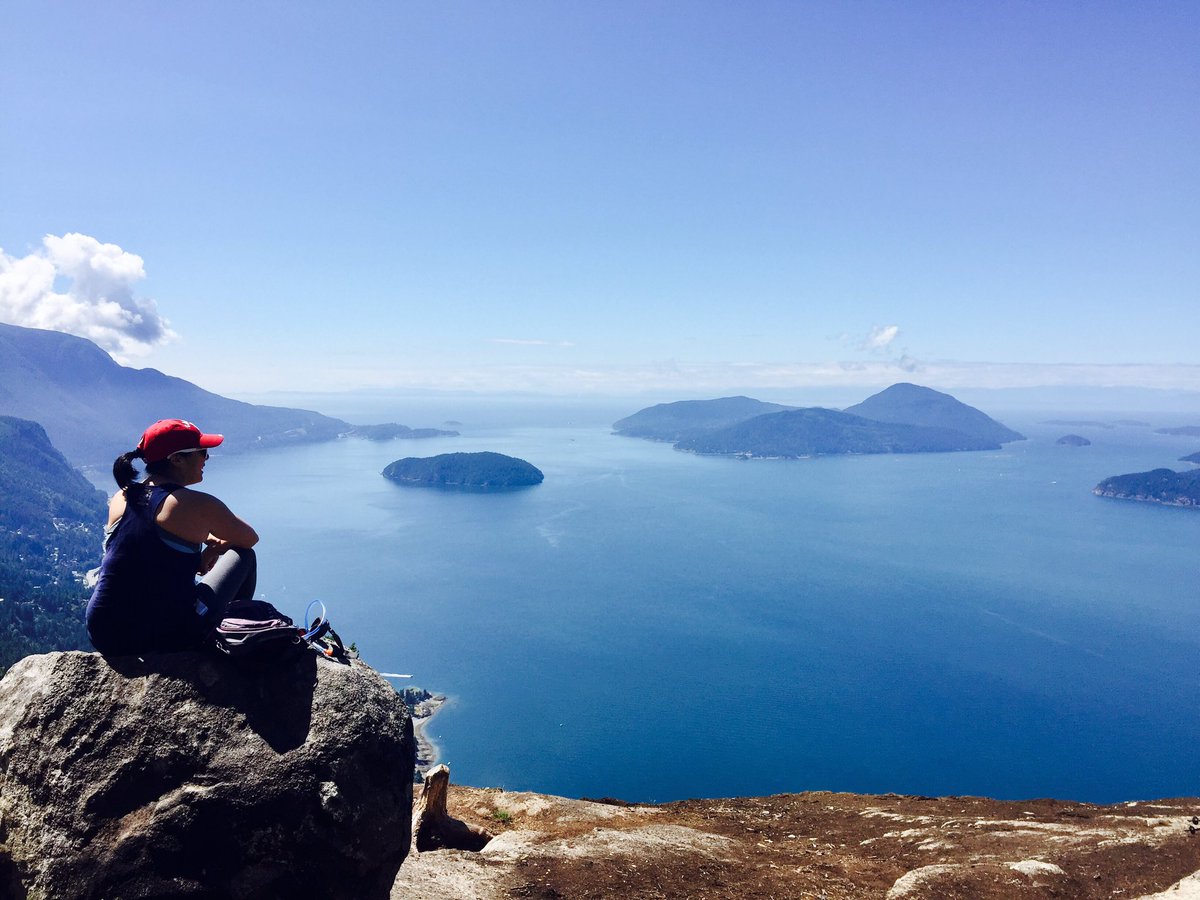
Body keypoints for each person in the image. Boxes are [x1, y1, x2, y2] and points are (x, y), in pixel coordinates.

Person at [85, 419, 259, 656]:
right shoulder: (196, 504)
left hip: (104, 633)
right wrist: (216, 549)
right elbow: (249, 538)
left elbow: (142, 548)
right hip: (167, 636)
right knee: (244, 556)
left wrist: (197, 552)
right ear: (176, 459)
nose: (206, 458)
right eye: (202, 452)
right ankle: (229, 636)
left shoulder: (122, 496)